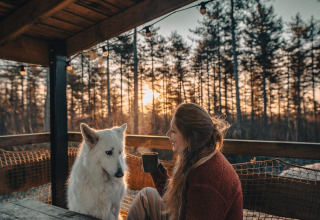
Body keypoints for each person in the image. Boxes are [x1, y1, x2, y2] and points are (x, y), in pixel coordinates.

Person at [127, 103, 243, 220]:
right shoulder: (199, 156)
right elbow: (175, 199)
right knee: (146, 197)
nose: (167, 134)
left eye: (173, 131)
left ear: (190, 137)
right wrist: (157, 170)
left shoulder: (206, 182)